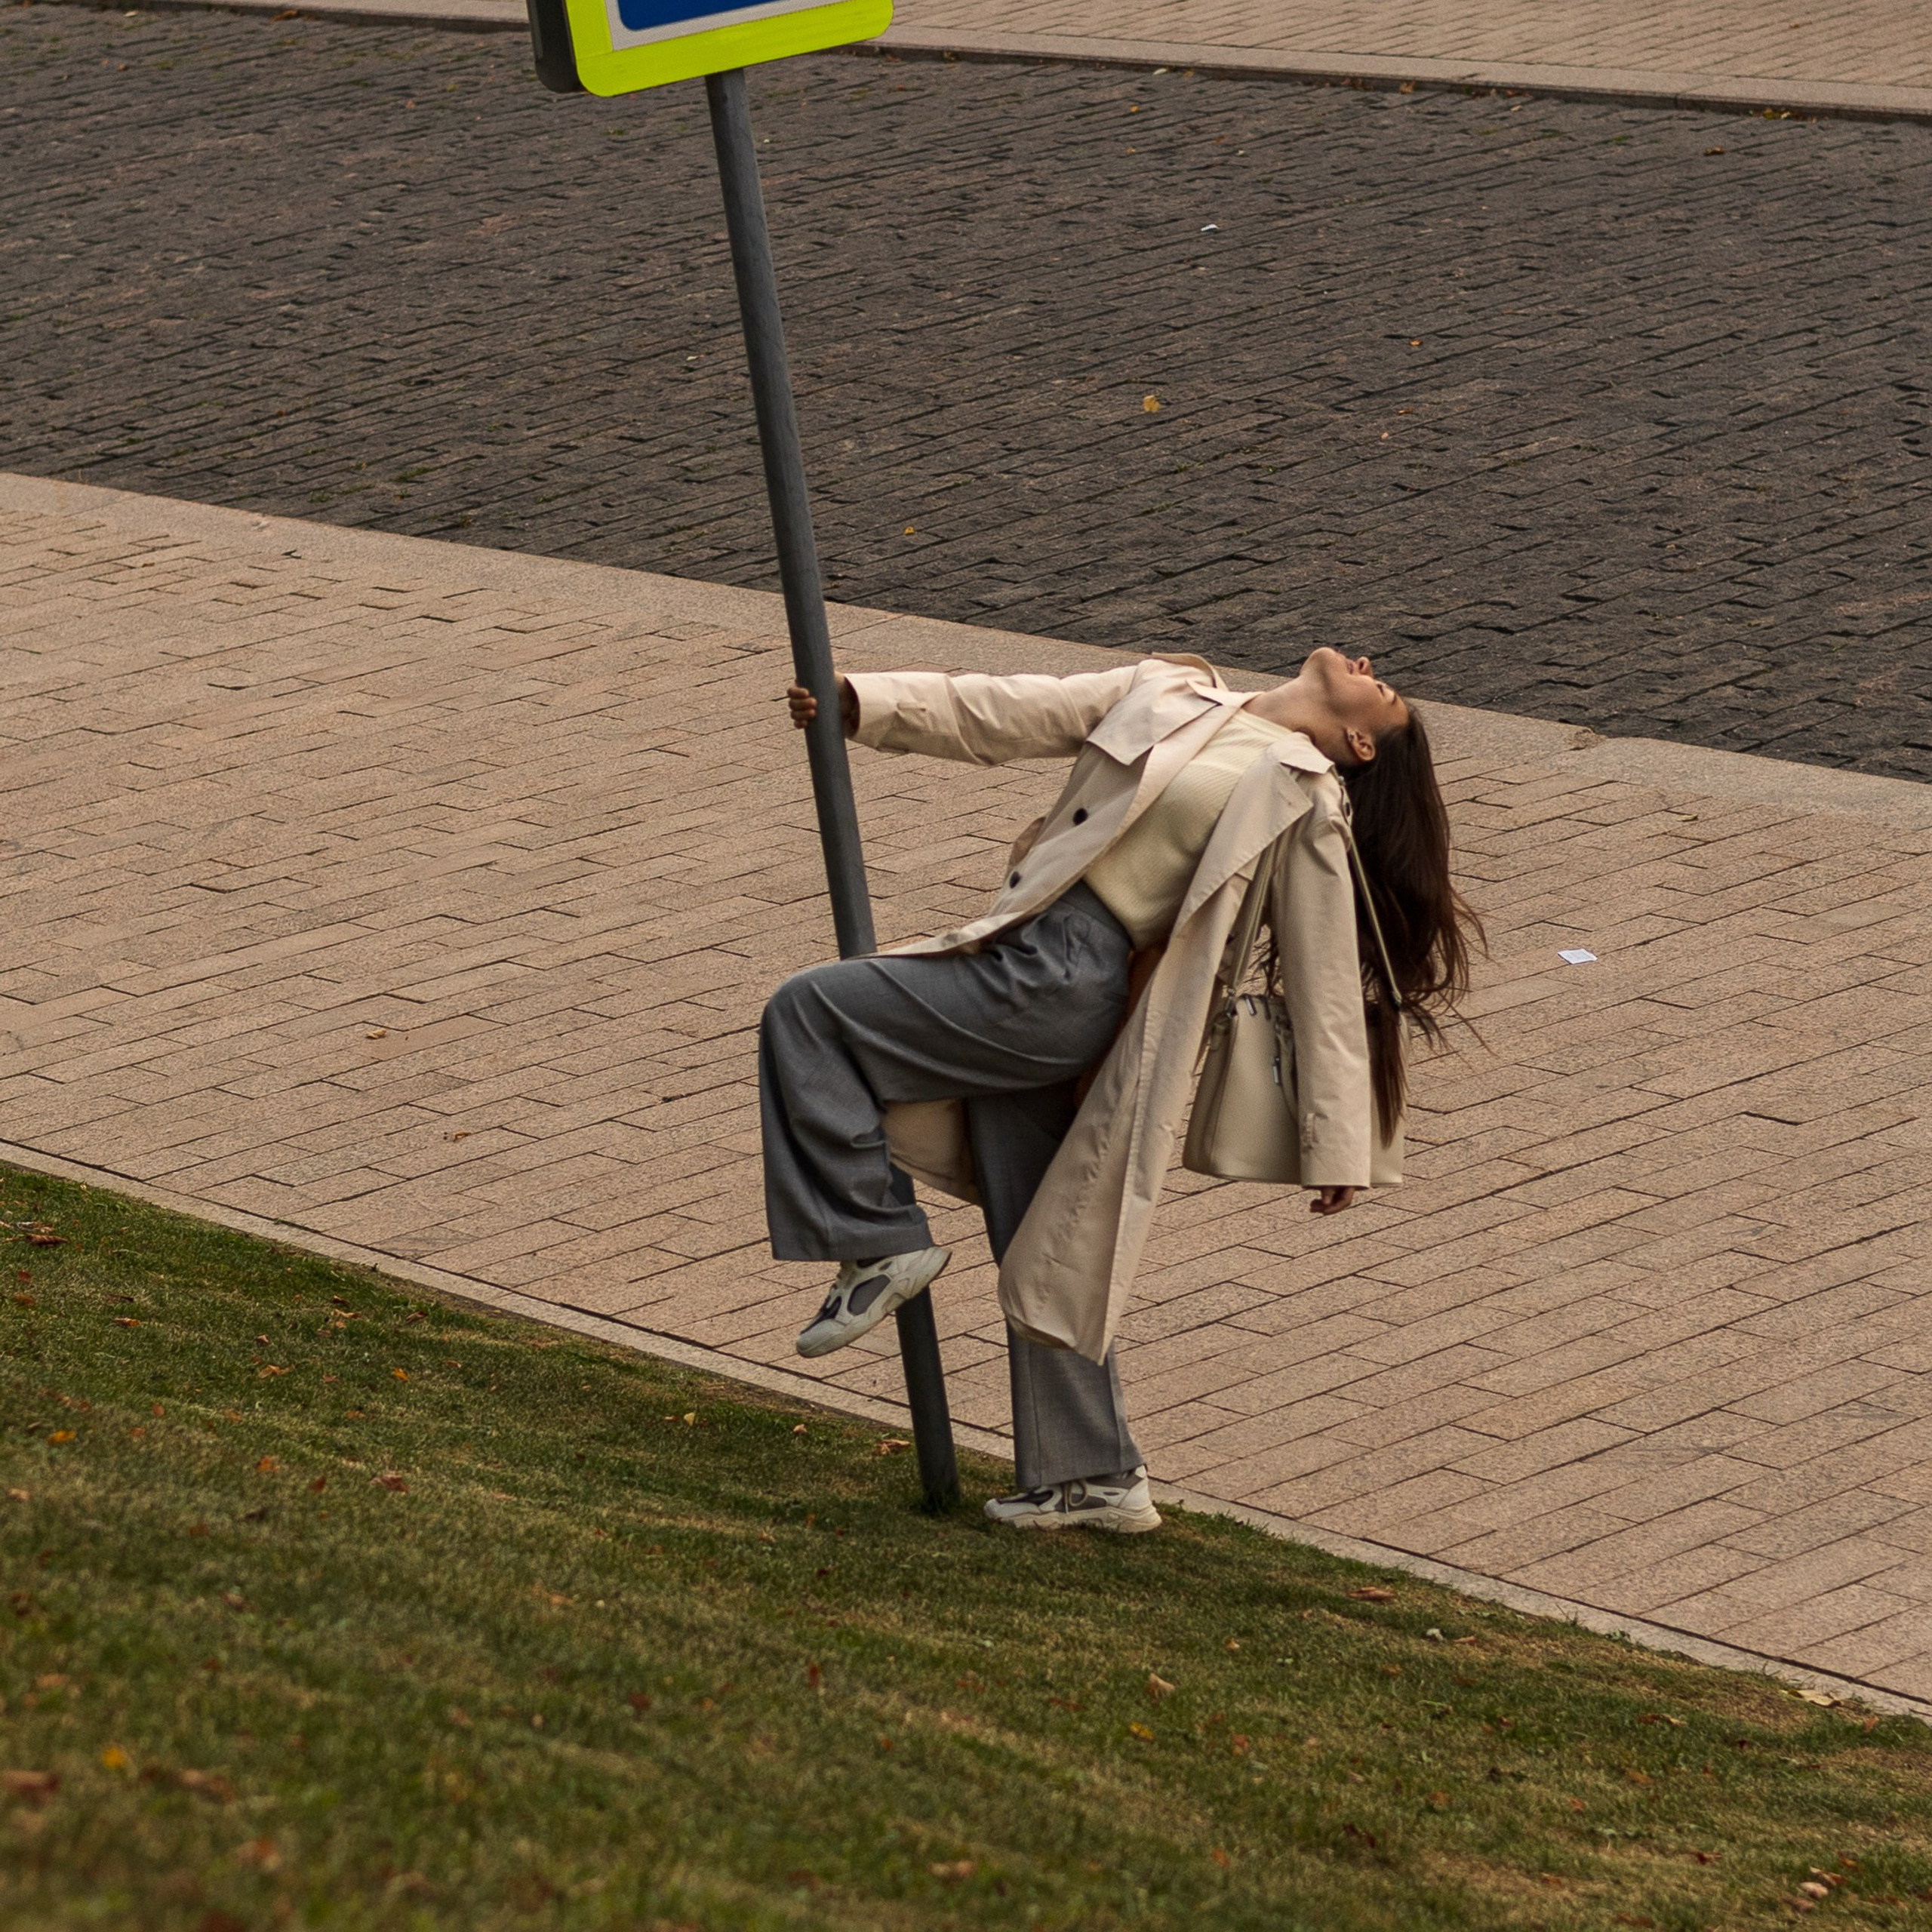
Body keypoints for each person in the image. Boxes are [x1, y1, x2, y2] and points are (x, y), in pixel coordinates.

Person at [759, 648, 1478, 1533]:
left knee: (809, 1010)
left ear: (1360, 742)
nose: (1369, 664)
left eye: (1386, 688)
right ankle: (1093, 1474)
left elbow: (1326, 976)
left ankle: (873, 1238)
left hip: (1069, 984)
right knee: (1045, 1237)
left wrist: (1338, 1144)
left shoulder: (1300, 790)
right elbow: (1010, 708)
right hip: (1026, 949)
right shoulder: (1173, 689)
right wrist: (860, 702)